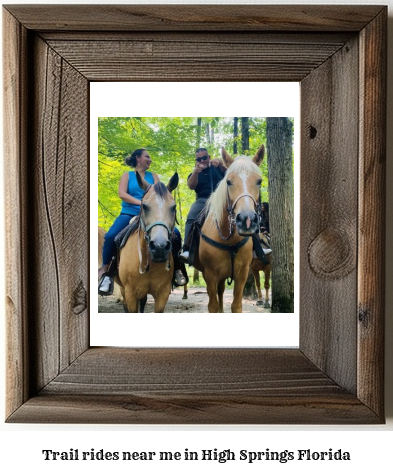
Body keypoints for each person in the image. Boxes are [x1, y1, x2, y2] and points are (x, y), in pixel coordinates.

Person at [99, 148, 186, 293]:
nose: (150, 160)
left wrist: (152, 205)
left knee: (175, 234)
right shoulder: (127, 176)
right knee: (111, 236)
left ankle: (177, 268)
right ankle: (106, 271)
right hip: (129, 213)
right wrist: (141, 203)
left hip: (151, 214)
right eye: (147, 157)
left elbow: (161, 194)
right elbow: (122, 194)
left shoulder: (154, 176)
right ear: (138, 158)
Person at [179, 148, 227, 261]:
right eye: (199, 159)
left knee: (241, 209)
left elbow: (231, 173)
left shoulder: (217, 167)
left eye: (204, 158)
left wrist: (220, 162)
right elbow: (191, 186)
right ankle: (187, 248)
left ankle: (256, 246)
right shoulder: (194, 173)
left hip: (222, 198)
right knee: (191, 217)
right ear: (196, 161)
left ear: (209, 157)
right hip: (203, 200)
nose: (202, 161)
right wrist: (196, 171)